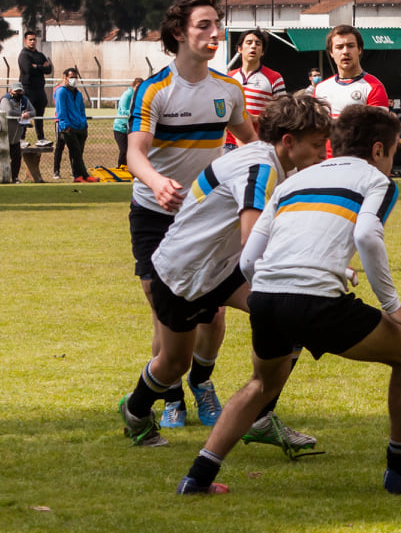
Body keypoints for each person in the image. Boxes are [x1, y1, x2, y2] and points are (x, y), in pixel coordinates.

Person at [177, 105, 401, 496]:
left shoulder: (293, 182)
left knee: (262, 383)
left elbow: (248, 260)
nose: (390, 162)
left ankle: (197, 478)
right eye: (392, 153)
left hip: (267, 299)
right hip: (314, 302)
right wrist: (393, 307)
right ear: (378, 151)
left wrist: (279, 288)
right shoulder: (377, 181)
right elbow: (367, 237)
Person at [118, 93, 331, 455]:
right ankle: (136, 411)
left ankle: (260, 417)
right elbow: (253, 243)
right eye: (316, 145)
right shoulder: (259, 169)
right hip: (184, 274)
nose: (321, 153)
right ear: (288, 142)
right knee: (172, 364)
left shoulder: (268, 160)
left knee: (294, 317)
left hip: (221, 266)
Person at [127, 0, 254, 429]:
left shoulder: (229, 90)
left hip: (204, 214)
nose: (215, 32)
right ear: (179, 32)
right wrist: (158, 182)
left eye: (217, 23)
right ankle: (170, 394)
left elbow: (251, 144)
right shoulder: (155, 90)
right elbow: (135, 154)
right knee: (164, 309)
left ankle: (201, 383)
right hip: (154, 214)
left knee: (212, 307)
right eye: (204, 25)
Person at [313, 26, 388, 123]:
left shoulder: (374, 87)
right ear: (331, 52)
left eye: (350, 46)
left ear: (359, 49)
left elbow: (380, 131)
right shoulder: (320, 89)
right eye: (339, 47)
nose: (345, 51)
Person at [229, 30, 285, 144]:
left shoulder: (274, 78)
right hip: (230, 143)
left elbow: (282, 113)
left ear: (262, 51)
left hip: (259, 141)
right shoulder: (229, 78)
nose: (253, 46)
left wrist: (252, 118)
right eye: (249, 42)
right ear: (239, 48)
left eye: (258, 44)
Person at [52, 66, 90, 182]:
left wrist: (84, 123)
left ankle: (77, 175)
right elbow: (61, 110)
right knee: (69, 150)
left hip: (80, 127)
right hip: (68, 127)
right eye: (71, 77)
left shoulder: (77, 93)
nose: (74, 80)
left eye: (75, 77)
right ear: (65, 78)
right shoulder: (61, 92)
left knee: (78, 153)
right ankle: (81, 175)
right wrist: (65, 125)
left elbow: (82, 109)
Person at [18, 31, 51, 145]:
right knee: (26, 114)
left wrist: (37, 66)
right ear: (25, 41)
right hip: (28, 89)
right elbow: (28, 69)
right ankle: (21, 138)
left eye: (34, 39)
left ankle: (41, 138)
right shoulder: (24, 55)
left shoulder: (40, 55)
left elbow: (49, 69)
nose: (32, 42)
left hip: (39, 89)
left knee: (39, 114)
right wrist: (42, 67)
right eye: (30, 39)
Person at [3, 82, 31, 181]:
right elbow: (9, 112)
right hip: (4, 137)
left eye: (20, 91)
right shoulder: (6, 99)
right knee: (3, 159)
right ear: (11, 91)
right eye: (16, 91)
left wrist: (27, 114)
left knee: (16, 159)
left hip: (15, 137)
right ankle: (4, 178)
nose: (19, 93)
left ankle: (15, 177)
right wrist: (22, 114)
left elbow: (32, 111)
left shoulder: (24, 100)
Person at [113, 77, 140, 167]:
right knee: (124, 150)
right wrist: (136, 113)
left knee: (131, 151)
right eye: (137, 86)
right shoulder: (127, 94)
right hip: (120, 127)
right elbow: (124, 110)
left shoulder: (139, 95)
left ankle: (129, 167)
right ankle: (121, 166)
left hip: (131, 128)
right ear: (133, 85)